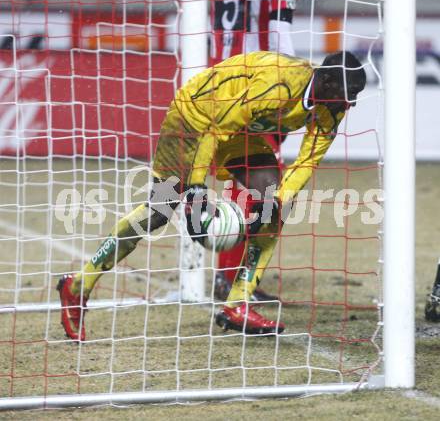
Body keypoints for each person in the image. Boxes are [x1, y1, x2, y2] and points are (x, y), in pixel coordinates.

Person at [58, 50, 366, 341]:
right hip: (192, 120)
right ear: (325, 82)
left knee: (276, 204)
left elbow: (308, 160)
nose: (350, 104)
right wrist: (196, 190)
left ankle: (238, 303)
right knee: (159, 211)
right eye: (347, 95)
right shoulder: (279, 83)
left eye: (354, 97)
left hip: (237, 133)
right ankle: (79, 284)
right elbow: (214, 129)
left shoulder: (332, 107)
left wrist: (278, 200)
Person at [211, 0, 299, 300]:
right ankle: (236, 279)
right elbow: (278, 28)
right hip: (258, 83)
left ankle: (227, 273)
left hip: (220, 76)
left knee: (240, 176)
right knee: (265, 186)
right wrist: (290, 88)